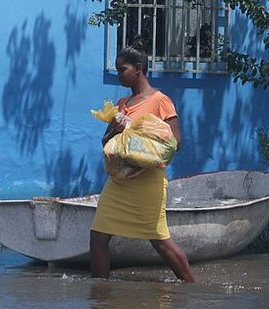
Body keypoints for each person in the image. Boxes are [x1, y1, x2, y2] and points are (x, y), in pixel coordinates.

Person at [90, 40, 195, 283]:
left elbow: (175, 142)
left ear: (138, 68)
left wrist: (143, 148)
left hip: (148, 181)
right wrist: (114, 131)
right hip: (120, 182)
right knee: (98, 237)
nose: (119, 75)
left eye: (122, 69)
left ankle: (191, 286)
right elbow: (107, 143)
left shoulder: (160, 101)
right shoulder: (121, 105)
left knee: (158, 240)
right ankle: (100, 293)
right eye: (117, 70)